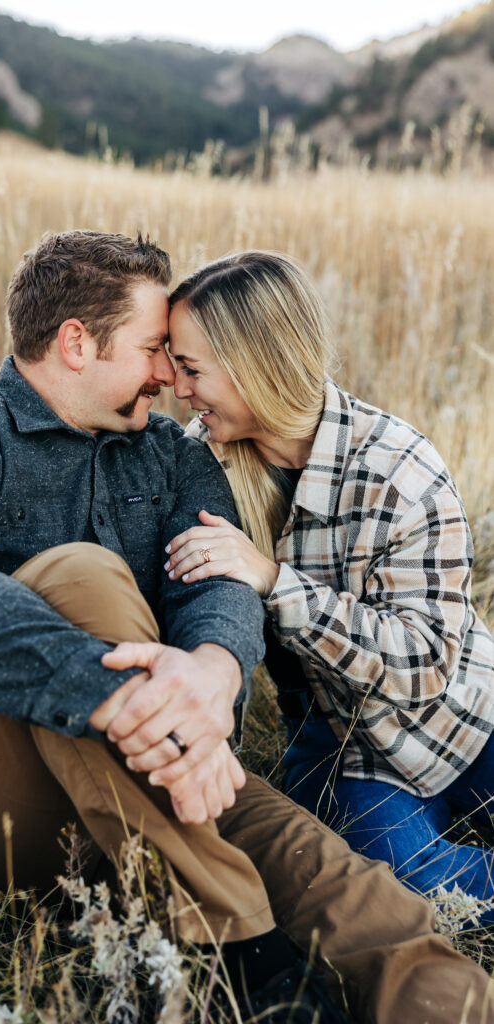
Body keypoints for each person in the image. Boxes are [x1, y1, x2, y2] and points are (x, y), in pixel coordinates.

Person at [0, 231, 494, 1024]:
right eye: (152, 347)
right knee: (82, 576)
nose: (168, 374)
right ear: (74, 343)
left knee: (342, 881)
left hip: (157, 774)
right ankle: (237, 959)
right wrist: (122, 699)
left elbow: (217, 584)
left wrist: (209, 674)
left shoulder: (170, 454)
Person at [163, 248, 494, 926]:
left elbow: (426, 664)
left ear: (255, 364)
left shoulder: (398, 470)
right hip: (340, 743)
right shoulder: (203, 464)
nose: (177, 387)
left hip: (462, 718)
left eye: (191, 368)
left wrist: (273, 581)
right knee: (397, 884)